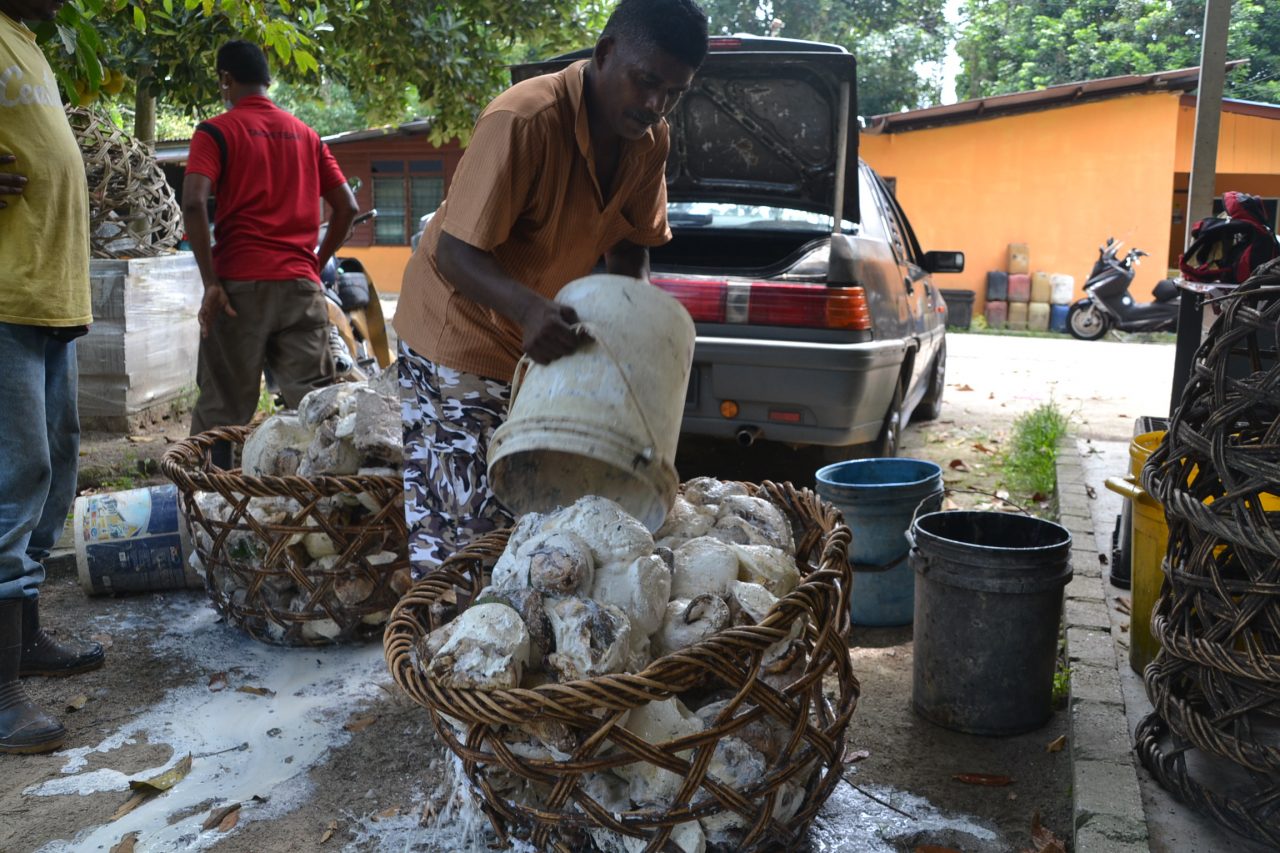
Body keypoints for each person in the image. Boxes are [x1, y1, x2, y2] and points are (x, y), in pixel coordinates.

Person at [393, 0, 707, 576]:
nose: (655, 104)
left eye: (674, 92)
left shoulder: (649, 140)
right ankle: (437, 651)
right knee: (468, 533)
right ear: (605, 53)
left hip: (535, 343)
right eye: (646, 82)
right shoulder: (524, 119)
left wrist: (625, 327)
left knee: (543, 525)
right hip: (456, 332)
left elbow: (632, 243)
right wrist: (529, 310)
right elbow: (453, 251)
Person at [0, 0, 107, 755]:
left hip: (51, 296)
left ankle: (27, 634)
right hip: (6, 296)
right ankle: (1, 694)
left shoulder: (27, 42)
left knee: (56, 470)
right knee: (15, 474)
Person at [182, 40, 357, 466]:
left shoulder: (216, 132)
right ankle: (319, 509)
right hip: (300, 290)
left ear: (226, 80)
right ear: (268, 81)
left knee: (222, 412)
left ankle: (212, 509)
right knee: (315, 410)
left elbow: (192, 202)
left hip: (239, 291)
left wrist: (211, 285)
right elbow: (347, 207)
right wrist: (312, 264)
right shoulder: (307, 135)